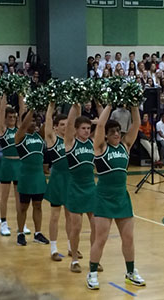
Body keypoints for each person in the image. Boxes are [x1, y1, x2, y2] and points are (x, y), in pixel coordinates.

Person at [87, 104, 145, 290]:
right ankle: (92, 273)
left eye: (118, 131)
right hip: (104, 196)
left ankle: (130, 272)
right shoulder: (100, 147)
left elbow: (136, 123)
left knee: (128, 238)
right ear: (106, 134)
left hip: (122, 197)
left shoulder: (125, 146)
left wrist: (134, 104)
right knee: (101, 239)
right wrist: (110, 105)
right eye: (112, 132)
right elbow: (101, 125)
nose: (117, 134)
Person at [64, 104, 98, 273]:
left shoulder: (92, 143)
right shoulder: (70, 143)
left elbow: (103, 126)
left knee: (96, 227)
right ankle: (75, 260)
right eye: (83, 128)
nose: (86, 131)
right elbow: (70, 123)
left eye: (88, 128)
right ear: (76, 130)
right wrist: (75, 104)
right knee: (76, 227)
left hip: (91, 187)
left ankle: (94, 259)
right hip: (75, 187)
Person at [15, 109, 49, 246]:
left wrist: (49, 106)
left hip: (38, 176)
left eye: (35, 120)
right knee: (23, 207)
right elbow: (23, 125)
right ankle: (20, 233)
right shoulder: (20, 136)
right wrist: (33, 107)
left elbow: (48, 123)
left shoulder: (40, 136)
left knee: (38, 205)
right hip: (25, 176)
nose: (34, 123)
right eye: (31, 120)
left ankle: (38, 233)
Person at [0, 94, 30, 236]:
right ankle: (3, 223)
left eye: (13, 117)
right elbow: (0, 112)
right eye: (9, 117)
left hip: (19, 164)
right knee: (4, 196)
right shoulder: (3, 129)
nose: (12, 119)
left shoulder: (19, 130)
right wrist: (4, 95)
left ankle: (21, 224)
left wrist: (21, 94)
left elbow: (23, 111)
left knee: (19, 197)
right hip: (6, 163)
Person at [44, 103, 71, 262]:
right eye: (62, 125)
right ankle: (53, 248)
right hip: (57, 178)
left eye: (67, 125)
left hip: (71, 179)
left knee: (71, 216)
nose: (65, 127)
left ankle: (71, 246)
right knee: (55, 215)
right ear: (55, 127)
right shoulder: (52, 139)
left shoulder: (72, 140)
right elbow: (48, 121)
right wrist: (51, 105)